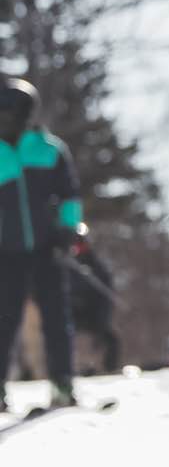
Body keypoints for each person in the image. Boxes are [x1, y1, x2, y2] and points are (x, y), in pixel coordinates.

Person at [0, 77, 83, 410]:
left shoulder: (49, 149)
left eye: (10, 111)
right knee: (5, 319)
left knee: (55, 316)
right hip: (7, 250)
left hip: (48, 246)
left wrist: (68, 230)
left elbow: (70, 194)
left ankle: (62, 384)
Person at [67, 224, 122, 376]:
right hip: (72, 314)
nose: (77, 246)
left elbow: (106, 297)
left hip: (93, 314)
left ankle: (109, 369)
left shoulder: (97, 267)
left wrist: (102, 321)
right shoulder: (66, 264)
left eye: (80, 242)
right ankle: (66, 370)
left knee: (111, 338)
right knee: (61, 335)